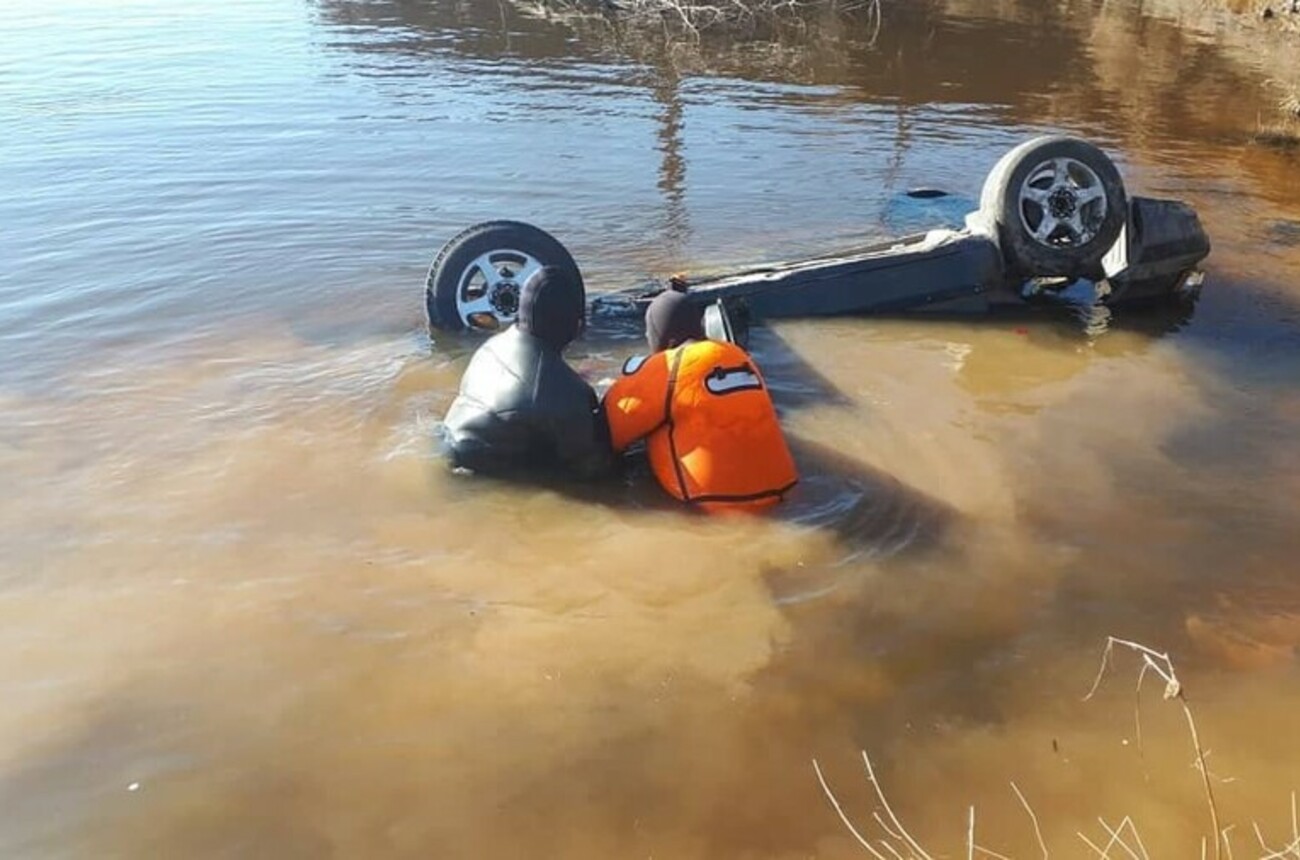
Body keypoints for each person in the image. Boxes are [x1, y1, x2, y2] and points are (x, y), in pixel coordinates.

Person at [602, 291, 798, 512]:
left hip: (714, 505)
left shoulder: (667, 365)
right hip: (784, 492)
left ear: (663, 337)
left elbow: (610, 431)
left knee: (655, 422)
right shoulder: (738, 355)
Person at [440, 266, 612, 481]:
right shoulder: (567, 393)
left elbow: (532, 386)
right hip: (484, 478)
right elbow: (590, 468)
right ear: (574, 324)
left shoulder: (492, 347)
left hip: (449, 444)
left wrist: (569, 380)